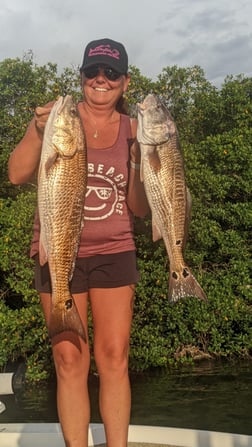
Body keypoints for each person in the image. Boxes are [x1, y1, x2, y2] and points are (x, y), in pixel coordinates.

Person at [8, 38, 149, 447]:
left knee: (114, 358)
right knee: (68, 359)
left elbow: (139, 208)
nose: (100, 80)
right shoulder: (55, 121)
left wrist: (141, 157)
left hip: (114, 251)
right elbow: (16, 175)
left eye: (111, 74)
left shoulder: (135, 130)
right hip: (57, 251)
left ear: (125, 81)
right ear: (82, 75)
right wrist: (37, 131)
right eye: (93, 72)